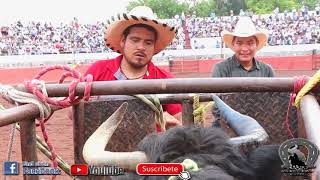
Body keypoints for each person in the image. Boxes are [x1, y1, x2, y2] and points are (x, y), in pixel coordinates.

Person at [84, 6, 182, 131]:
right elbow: (73, 113)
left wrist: (170, 124)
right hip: (103, 147)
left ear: (154, 47)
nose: (141, 47)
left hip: (150, 148)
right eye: (135, 40)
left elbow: (178, 121)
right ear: (123, 41)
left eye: (148, 42)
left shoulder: (165, 79)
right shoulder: (98, 69)